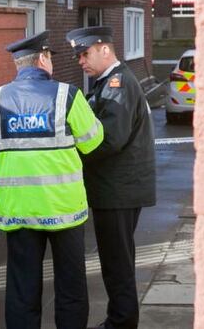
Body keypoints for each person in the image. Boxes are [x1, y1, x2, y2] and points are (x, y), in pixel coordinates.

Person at [0, 32, 104, 329]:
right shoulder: (67, 96)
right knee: (71, 287)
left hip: (19, 211)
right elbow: (92, 141)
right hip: (64, 211)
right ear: (43, 58)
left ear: (19, 65)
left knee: (22, 289)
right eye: (51, 57)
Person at [65, 26, 156, 329]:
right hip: (117, 189)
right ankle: (120, 320)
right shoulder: (109, 83)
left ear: (105, 49)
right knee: (117, 261)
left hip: (118, 190)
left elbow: (109, 139)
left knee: (117, 264)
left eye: (85, 53)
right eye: (78, 55)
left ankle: (121, 323)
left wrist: (71, 151)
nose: (81, 61)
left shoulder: (117, 84)